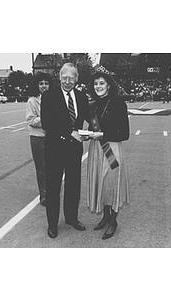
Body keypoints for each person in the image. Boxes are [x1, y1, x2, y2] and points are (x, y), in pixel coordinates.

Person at [41, 63, 90, 239]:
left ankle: (71, 218)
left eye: (71, 78)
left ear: (77, 78)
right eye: (64, 78)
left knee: (73, 186)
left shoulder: (82, 96)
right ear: (59, 77)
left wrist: (90, 133)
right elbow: (47, 123)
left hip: (74, 149)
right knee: (53, 188)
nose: (68, 81)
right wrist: (70, 132)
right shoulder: (48, 96)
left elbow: (88, 119)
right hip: (54, 148)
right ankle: (52, 224)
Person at [87, 72, 130, 240]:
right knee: (101, 183)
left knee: (112, 184)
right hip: (96, 150)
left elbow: (124, 134)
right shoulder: (92, 104)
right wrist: (87, 134)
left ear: (109, 86)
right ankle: (105, 216)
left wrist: (102, 135)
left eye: (102, 83)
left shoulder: (119, 103)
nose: (98, 86)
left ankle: (113, 220)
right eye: (96, 83)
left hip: (111, 150)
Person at [26, 73, 54, 207]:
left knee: (53, 166)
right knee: (41, 168)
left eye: (46, 83)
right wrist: (47, 119)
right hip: (38, 138)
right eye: (41, 83)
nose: (44, 86)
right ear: (37, 85)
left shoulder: (55, 98)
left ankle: (52, 192)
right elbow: (31, 120)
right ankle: (44, 195)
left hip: (52, 137)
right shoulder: (32, 101)